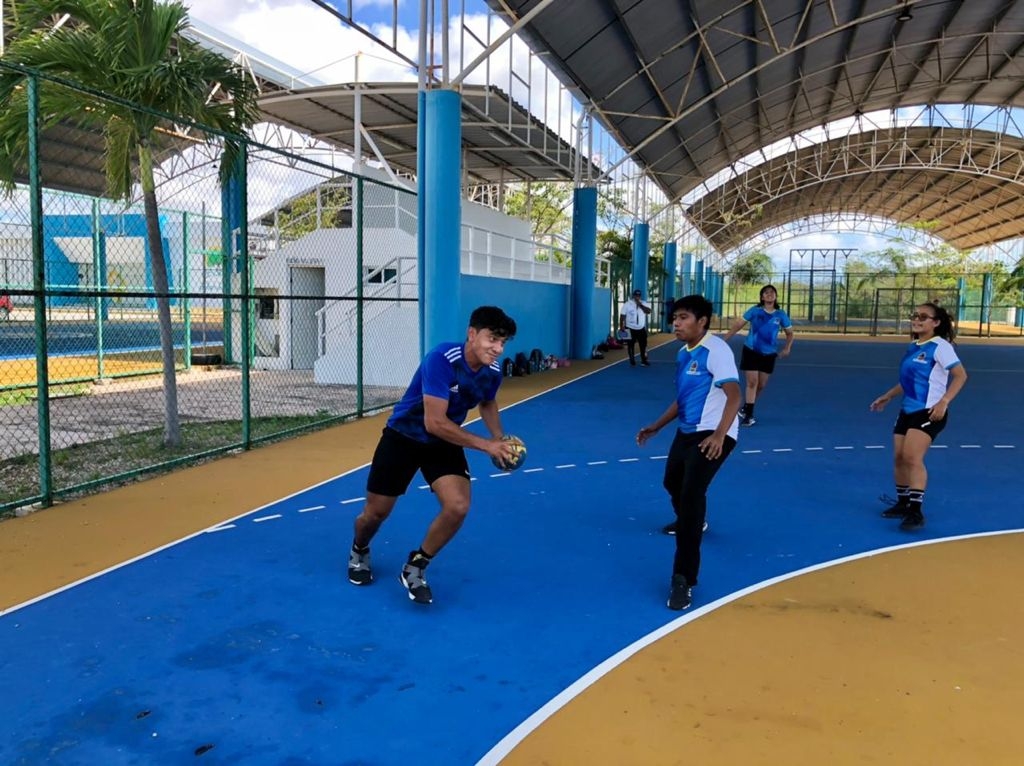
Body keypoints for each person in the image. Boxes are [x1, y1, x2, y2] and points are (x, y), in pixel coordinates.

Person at [347, 306, 520, 604]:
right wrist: (486, 445)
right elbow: (434, 422)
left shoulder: (491, 373)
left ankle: (416, 565)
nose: (498, 349)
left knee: (458, 506)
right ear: (472, 334)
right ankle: (359, 549)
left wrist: (498, 440)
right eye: (493, 339)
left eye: (503, 343)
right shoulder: (442, 360)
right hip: (404, 437)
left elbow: (487, 403)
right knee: (374, 514)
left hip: (442, 442)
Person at [637, 295, 741, 610]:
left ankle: (683, 579)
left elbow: (735, 396)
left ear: (702, 321)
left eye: (682, 318)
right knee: (672, 483)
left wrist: (721, 435)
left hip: (714, 433)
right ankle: (694, 521)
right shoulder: (685, 353)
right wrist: (657, 426)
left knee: (692, 496)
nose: (676, 324)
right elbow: (683, 399)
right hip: (687, 431)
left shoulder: (717, 351)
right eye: (675, 319)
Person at [869, 303, 967, 531]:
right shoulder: (914, 346)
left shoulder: (940, 346)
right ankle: (903, 503)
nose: (917, 319)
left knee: (912, 458)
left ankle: (916, 510)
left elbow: (961, 376)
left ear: (936, 322)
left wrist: (944, 401)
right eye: (915, 315)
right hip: (907, 410)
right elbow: (908, 382)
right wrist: (888, 396)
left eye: (924, 317)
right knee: (899, 458)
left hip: (930, 411)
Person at [722, 284, 793, 426]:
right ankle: (749, 416)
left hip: (769, 354)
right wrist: (725, 340)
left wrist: (787, 348)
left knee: (761, 384)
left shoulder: (781, 315)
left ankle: (747, 407)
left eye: (772, 292)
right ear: (762, 297)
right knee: (752, 382)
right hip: (751, 350)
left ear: (776, 296)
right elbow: (738, 325)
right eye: (766, 293)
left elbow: (790, 333)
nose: (769, 294)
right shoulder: (754, 311)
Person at [619, 288, 653, 366]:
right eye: (636, 295)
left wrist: (640, 305)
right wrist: (621, 326)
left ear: (640, 296)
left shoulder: (644, 303)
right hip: (630, 328)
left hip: (641, 328)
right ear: (633, 296)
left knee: (643, 345)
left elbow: (648, 311)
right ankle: (632, 360)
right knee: (630, 345)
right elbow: (622, 316)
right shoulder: (627, 304)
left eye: (639, 296)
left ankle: (644, 360)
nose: (637, 297)